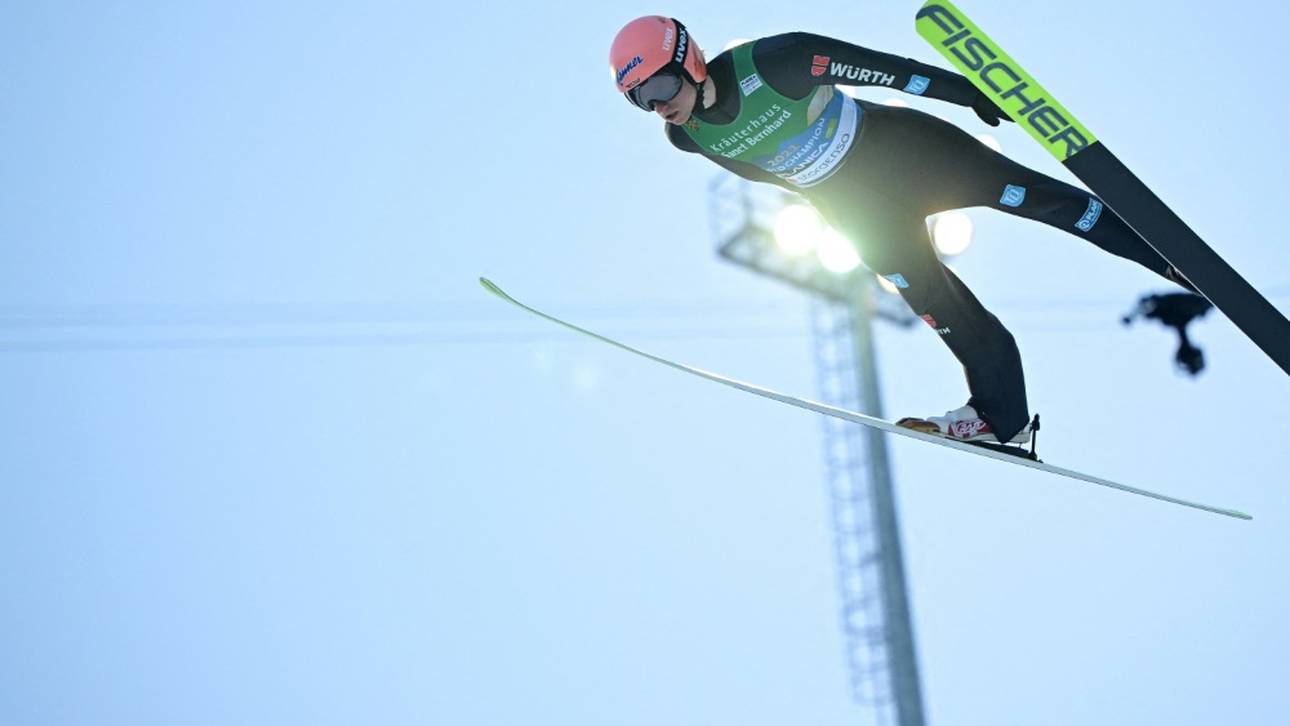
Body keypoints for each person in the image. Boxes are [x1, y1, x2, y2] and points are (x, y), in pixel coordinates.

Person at [608, 15, 1196, 445]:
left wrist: (968, 93)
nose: (658, 108)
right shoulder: (688, 138)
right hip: (853, 211)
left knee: (1031, 198)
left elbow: (891, 72)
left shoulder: (778, 60)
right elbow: (767, 172)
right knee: (939, 308)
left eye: (659, 88)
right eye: (640, 101)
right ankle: (1000, 419)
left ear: (687, 57)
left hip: (902, 153)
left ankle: (1167, 259)